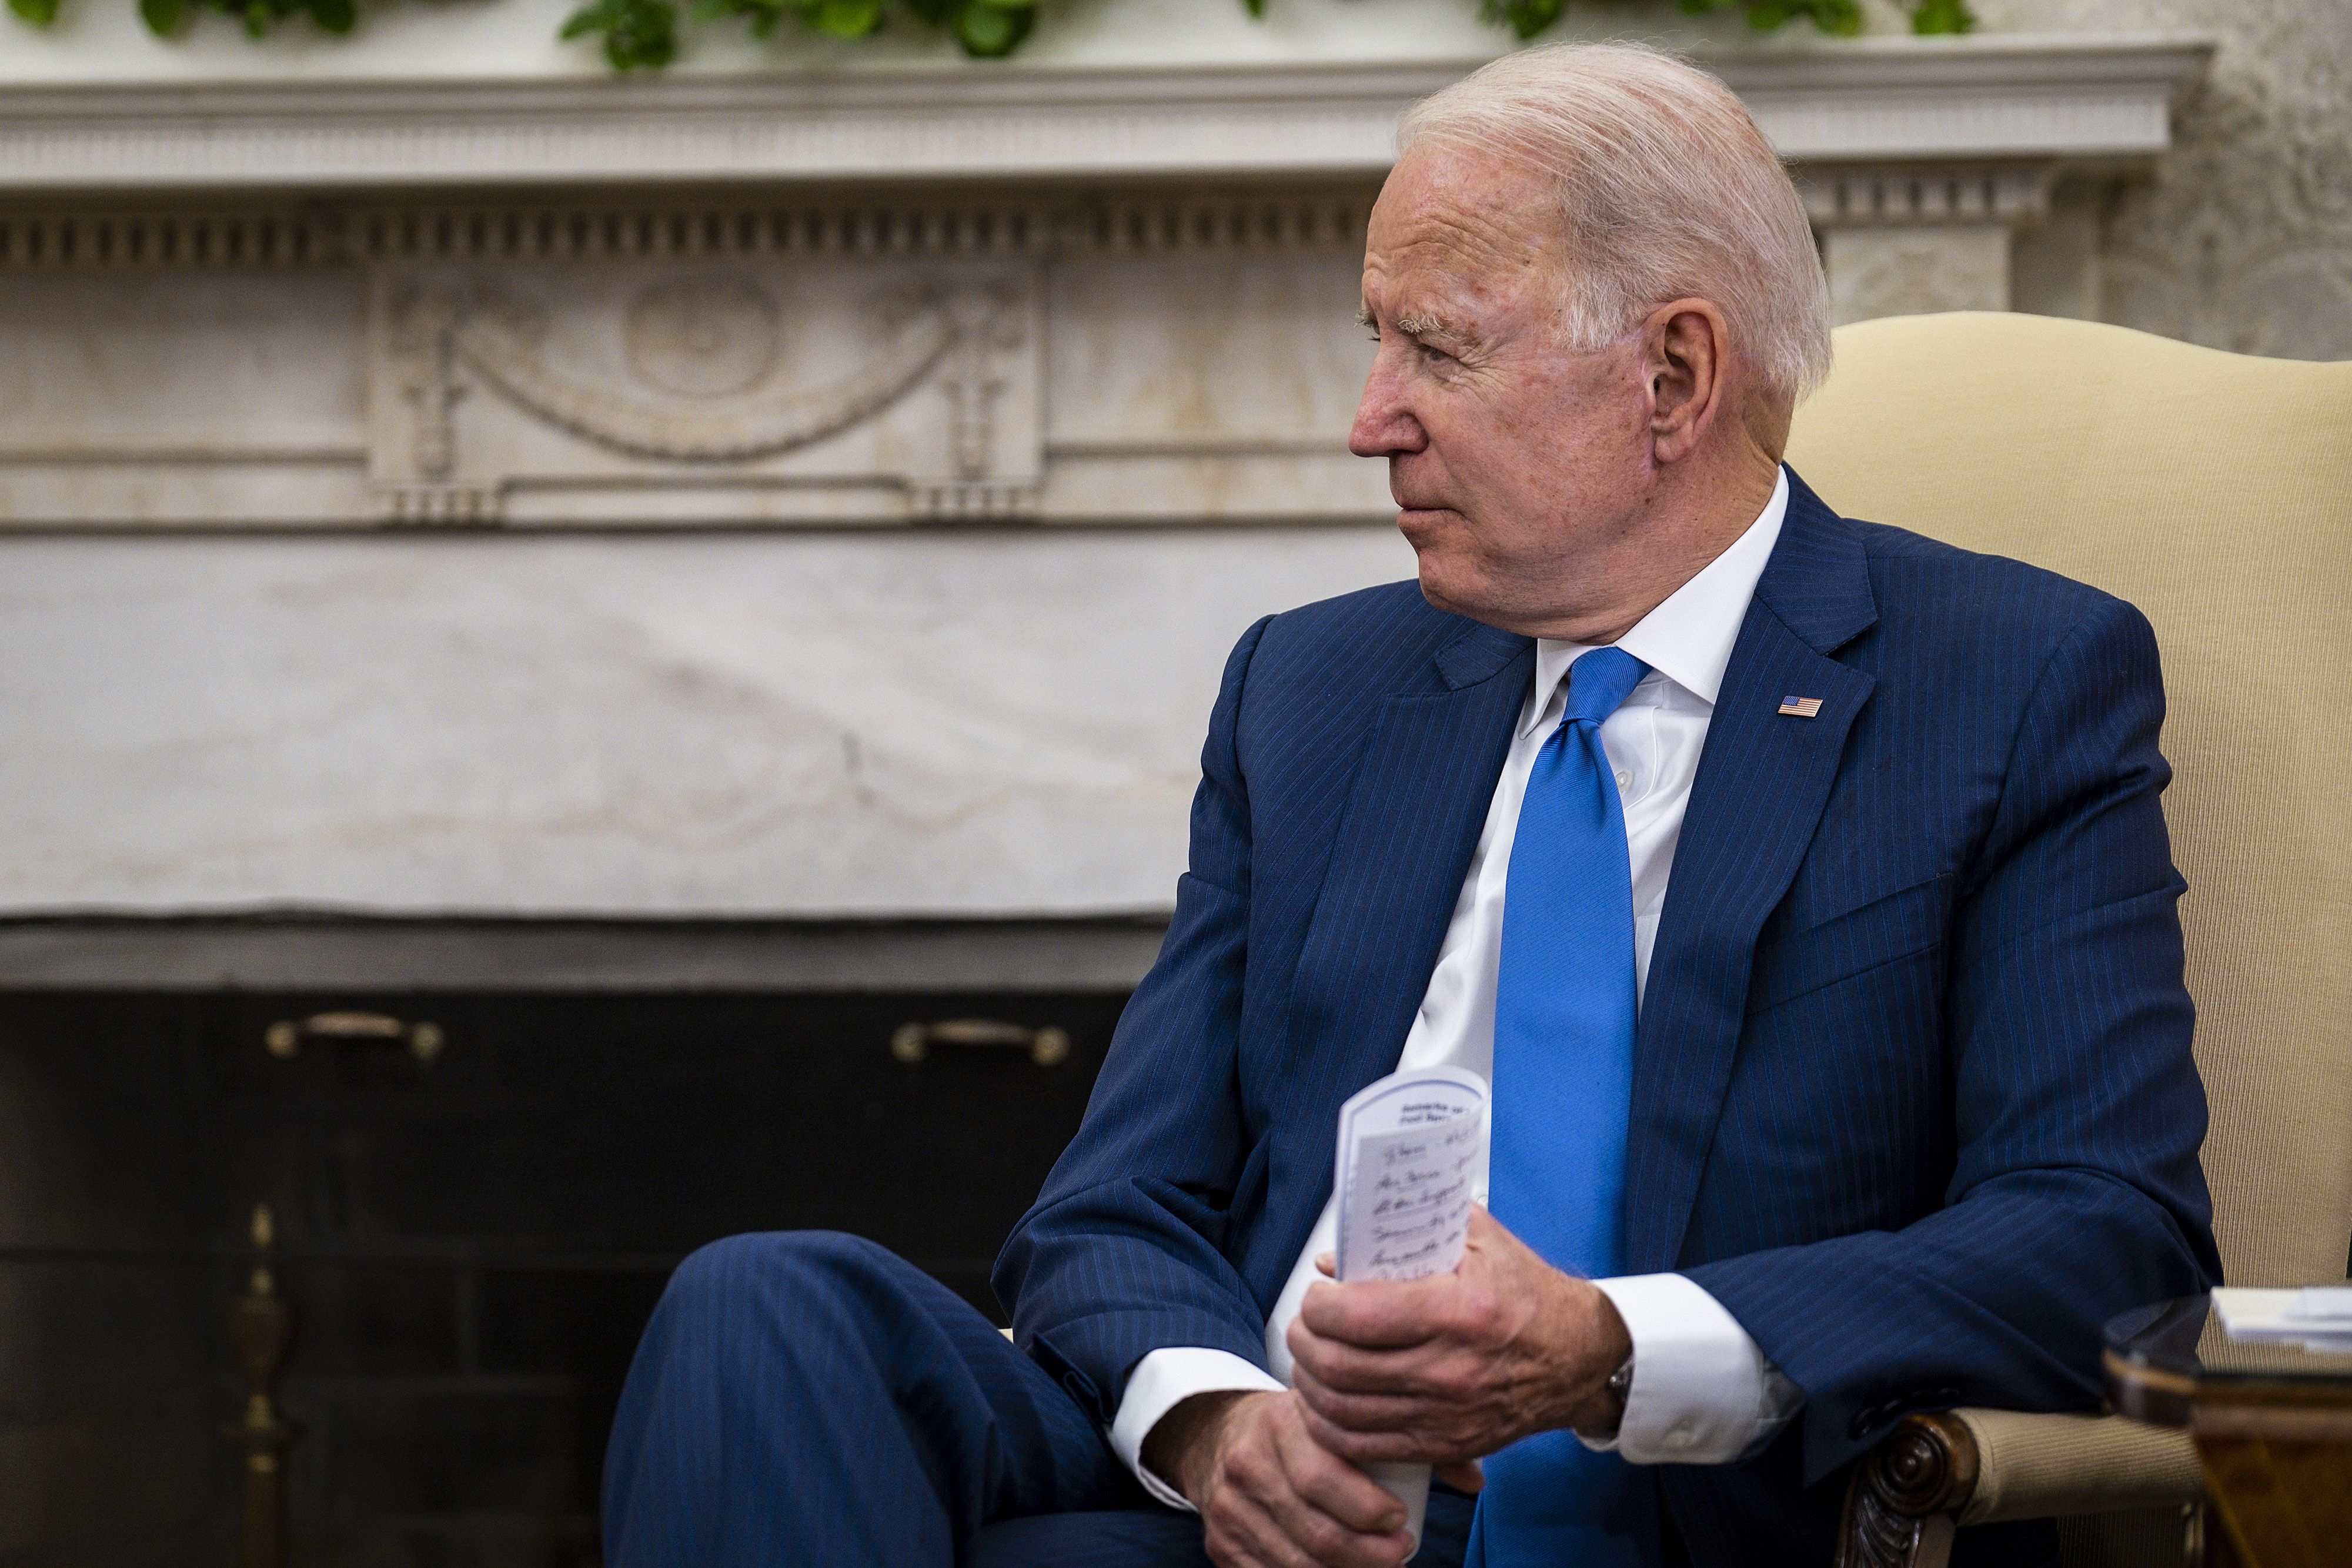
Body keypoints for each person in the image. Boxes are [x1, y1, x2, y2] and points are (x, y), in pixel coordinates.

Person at [601, 42, 2219, 1568]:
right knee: (765, 1306)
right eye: (1377, 340)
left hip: (1680, 1507)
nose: (1371, 415)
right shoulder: (1316, 689)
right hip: (1265, 1512)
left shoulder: (2006, 682)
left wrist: (1605, 1350)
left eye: (1437, 348)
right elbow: (1116, 1205)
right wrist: (1221, 1421)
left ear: (1673, 371)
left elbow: (2109, 1235)